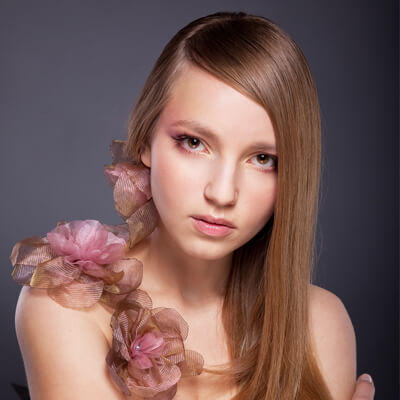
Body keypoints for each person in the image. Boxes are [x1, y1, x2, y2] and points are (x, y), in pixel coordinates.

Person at [11, 11, 375, 400]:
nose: (222, 193)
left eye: (263, 159)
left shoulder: (320, 325)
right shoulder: (66, 306)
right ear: (145, 141)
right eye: (194, 142)